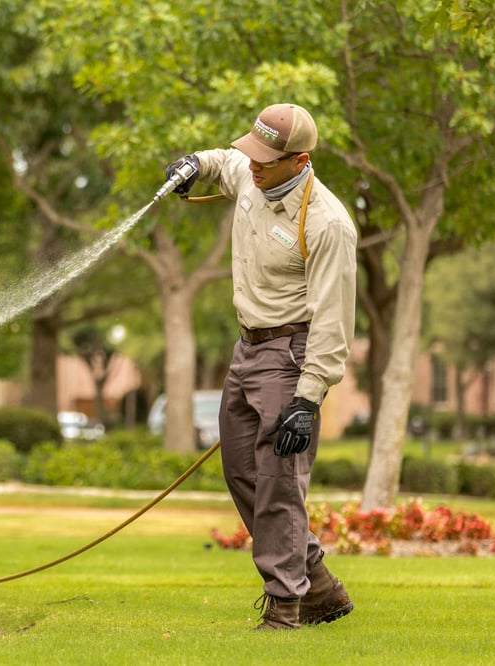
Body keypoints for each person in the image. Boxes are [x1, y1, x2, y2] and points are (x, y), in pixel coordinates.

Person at [165, 103, 357, 630]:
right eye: (252, 153)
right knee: (241, 473)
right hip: (246, 349)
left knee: (278, 481)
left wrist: (307, 397)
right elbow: (225, 162)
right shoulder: (252, 178)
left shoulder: (327, 223)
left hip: (290, 356)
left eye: (266, 160)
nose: (253, 165)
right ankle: (319, 583)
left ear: (299, 160)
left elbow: (334, 321)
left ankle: (286, 607)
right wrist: (193, 164)